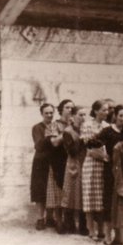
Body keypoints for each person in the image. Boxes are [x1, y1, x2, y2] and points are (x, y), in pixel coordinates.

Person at [97, 105, 123, 245]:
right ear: (115, 115)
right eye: (121, 115)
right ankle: (107, 235)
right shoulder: (107, 131)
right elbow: (93, 144)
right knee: (109, 200)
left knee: (122, 202)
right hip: (110, 170)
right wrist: (103, 155)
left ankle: (120, 235)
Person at [81, 100, 110, 241]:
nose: (106, 112)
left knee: (101, 197)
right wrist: (103, 156)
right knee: (90, 195)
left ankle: (101, 230)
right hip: (92, 163)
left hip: (103, 164)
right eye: (104, 110)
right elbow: (89, 148)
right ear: (96, 111)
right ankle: (90, 229)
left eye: (108, 110)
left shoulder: (107, 126)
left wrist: (106, 157)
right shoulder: (87, 125)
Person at [46, 100, 73, 233]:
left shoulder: (76, 123)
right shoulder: (54, 125)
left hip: (72, 160)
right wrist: (67, 132)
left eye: (72, 108)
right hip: (58, 160)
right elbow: (54, 143)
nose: (70, 110)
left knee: (70, 191)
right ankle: (59, 221)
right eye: (67, 107)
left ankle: (70, 221)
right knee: (58, 191)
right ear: (61, 109)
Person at [61, 106, 88, 234]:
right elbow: (72, 151)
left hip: (85, 163)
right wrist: (81, 138)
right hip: (73, 163)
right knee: (70, 193)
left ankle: (83, 225)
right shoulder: (68, 131)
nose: (83, 118)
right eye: (80, 115)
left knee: (83, 194)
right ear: (74, 116)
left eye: (85, 115)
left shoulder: (87, 129)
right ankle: (69, 224)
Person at [31, 103, 57, 230]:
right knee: (40, 190)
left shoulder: (56, 126)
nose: (49, 115)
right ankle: (40, 218)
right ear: (42, 114)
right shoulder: (37, 128)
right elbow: (38, 145)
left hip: (53, 161)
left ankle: (50, 217)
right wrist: (49, 138)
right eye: (46, 113)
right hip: (40, 162)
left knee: (52, 190)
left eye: (51, 113)